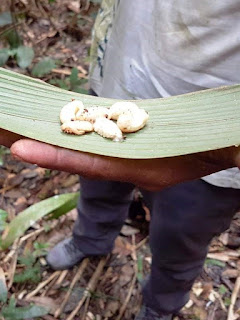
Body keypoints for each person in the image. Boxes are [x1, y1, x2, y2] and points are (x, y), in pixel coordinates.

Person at [2, 1, 240, 319]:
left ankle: (161, 304)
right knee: (98, 189)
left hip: (210, 132)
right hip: (116, 78)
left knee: (181, 235)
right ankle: (91, 240)